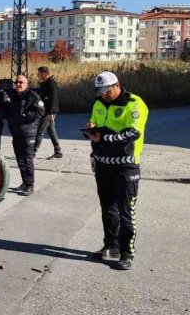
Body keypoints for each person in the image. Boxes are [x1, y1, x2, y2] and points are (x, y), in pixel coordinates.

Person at [83, 71, 149, 271]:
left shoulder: (134, 103)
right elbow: (96, 126)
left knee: (126, 210)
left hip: (125, 165)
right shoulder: (98, 103)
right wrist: (91, 130)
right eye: (101, 92)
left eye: (107, 91)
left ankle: (127, 251)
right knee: (107, 207)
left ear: (117, 85)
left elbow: (133, 132)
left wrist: (103, 138)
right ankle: (111, 245)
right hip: (103, 163)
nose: (104, 95)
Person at [5, 75, 45, 195]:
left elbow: (40, 111)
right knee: (20, 159)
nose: (18, 84)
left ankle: (30, 185)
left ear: (26, 84)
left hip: (28, 133)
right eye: (16, 82)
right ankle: (25, 182)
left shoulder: (32, 96)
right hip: (16, 133)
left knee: (27, 158)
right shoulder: (12, 95)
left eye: (21, 82)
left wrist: (25, 116)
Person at [35, 66, 62, 159]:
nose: (37, 75)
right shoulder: (44, 83)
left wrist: (51, 112)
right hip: (45, 110)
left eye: (39, 73)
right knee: (51, 131)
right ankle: (58, 151)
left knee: (40, 131)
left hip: (49, 112)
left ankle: (33, 151)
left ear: (44, 73)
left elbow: (53, 98)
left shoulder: (51, 83)